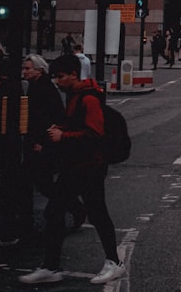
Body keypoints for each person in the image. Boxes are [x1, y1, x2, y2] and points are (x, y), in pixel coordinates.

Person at [19, 55, 125, 285]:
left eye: (60, 76)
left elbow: (94, 133)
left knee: (97, 214)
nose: (57, 81)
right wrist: (64, 128)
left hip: (90, 167)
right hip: (76, 166)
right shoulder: (76, 95)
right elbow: (80, 126)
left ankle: (114, 262)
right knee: (55, 212)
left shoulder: (88, 98)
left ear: (73, 75)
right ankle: (51, 266)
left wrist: (63, 135)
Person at [19, 55, 86, 241]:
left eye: (28, 68)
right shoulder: (35, 86)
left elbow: (52, 118)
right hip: (37, 142)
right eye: (24, 68)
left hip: (44, 144)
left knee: (43, 184)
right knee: (42, 183)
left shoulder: (45, 88)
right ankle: (74, 208)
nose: (24, 71)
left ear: (39, 70)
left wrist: (43, 142)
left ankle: (73, 209)